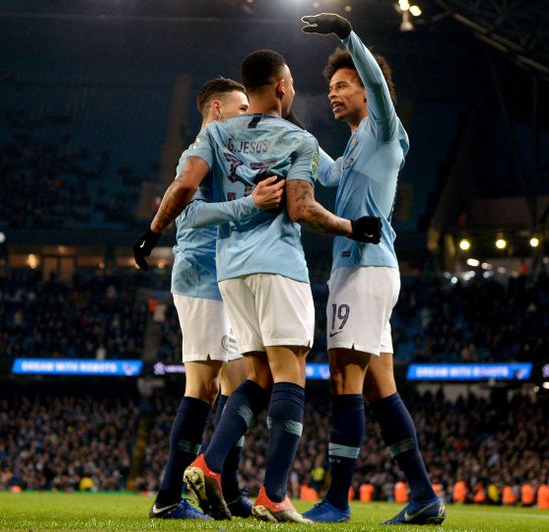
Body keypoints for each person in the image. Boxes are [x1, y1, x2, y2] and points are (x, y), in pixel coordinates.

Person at [133, 49, 380, 523]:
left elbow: (184, 187)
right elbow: (303, 207)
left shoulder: (217, 137)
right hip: (270, 267)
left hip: (228, 272)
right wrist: (352, 226)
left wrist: (151, 232)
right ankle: (259, 490)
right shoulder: (296, 138)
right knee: (283, 373)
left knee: (253, 377)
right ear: (284, 88)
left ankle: (220, 479)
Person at [297, 13, 444, 525]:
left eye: (341, 86)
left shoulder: (383, 128)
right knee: (382, 390)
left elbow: (380, 83)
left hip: (364, 269)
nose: (333, 94)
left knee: (344, 378)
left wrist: (347, 35)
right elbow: (331, 172)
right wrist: (288, 134)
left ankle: (337, 501)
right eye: (331, 88)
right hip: (364, 270)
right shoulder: (359, 141)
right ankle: (424, 496)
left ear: (363, 87)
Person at [148, 78, 285, 520]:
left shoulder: (225, 153)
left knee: (237, 383)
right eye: (241, 106)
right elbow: (189, 213)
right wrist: (252, 204)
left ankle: (225, 490)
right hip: (201, 274)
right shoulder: (201, 148)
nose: (248, 113)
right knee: (204, 387)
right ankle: (169, 498)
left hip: (221, 275)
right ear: (216, 110)